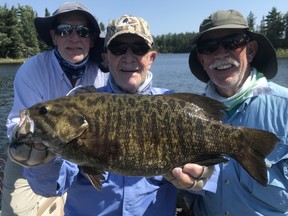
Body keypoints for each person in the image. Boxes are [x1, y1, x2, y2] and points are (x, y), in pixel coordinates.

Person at [9, 14, 214, 216]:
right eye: (118, 49)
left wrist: (203, 176)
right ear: (106, 58)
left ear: (151, 58)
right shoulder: (84, 105)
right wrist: (43, 163)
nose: (129, 57)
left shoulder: (174, 104)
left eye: (139, 49)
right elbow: (50, 188)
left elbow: (213, 176)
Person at [2, 2, 109, 215]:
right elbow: (19, 125)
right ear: (54, 36)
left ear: (91, 39)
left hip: (89, 152)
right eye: (65, 30)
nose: (74, 37)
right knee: (17, 212)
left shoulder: (103, 73)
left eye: (82, 31)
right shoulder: (32, 69)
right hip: (34, 157)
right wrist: (37, 150)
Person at [183, 9, 288, 215]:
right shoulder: (188, 114)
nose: (220, 54)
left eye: (232, 42)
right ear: (201, 60)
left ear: (250, 50)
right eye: (208, 47)